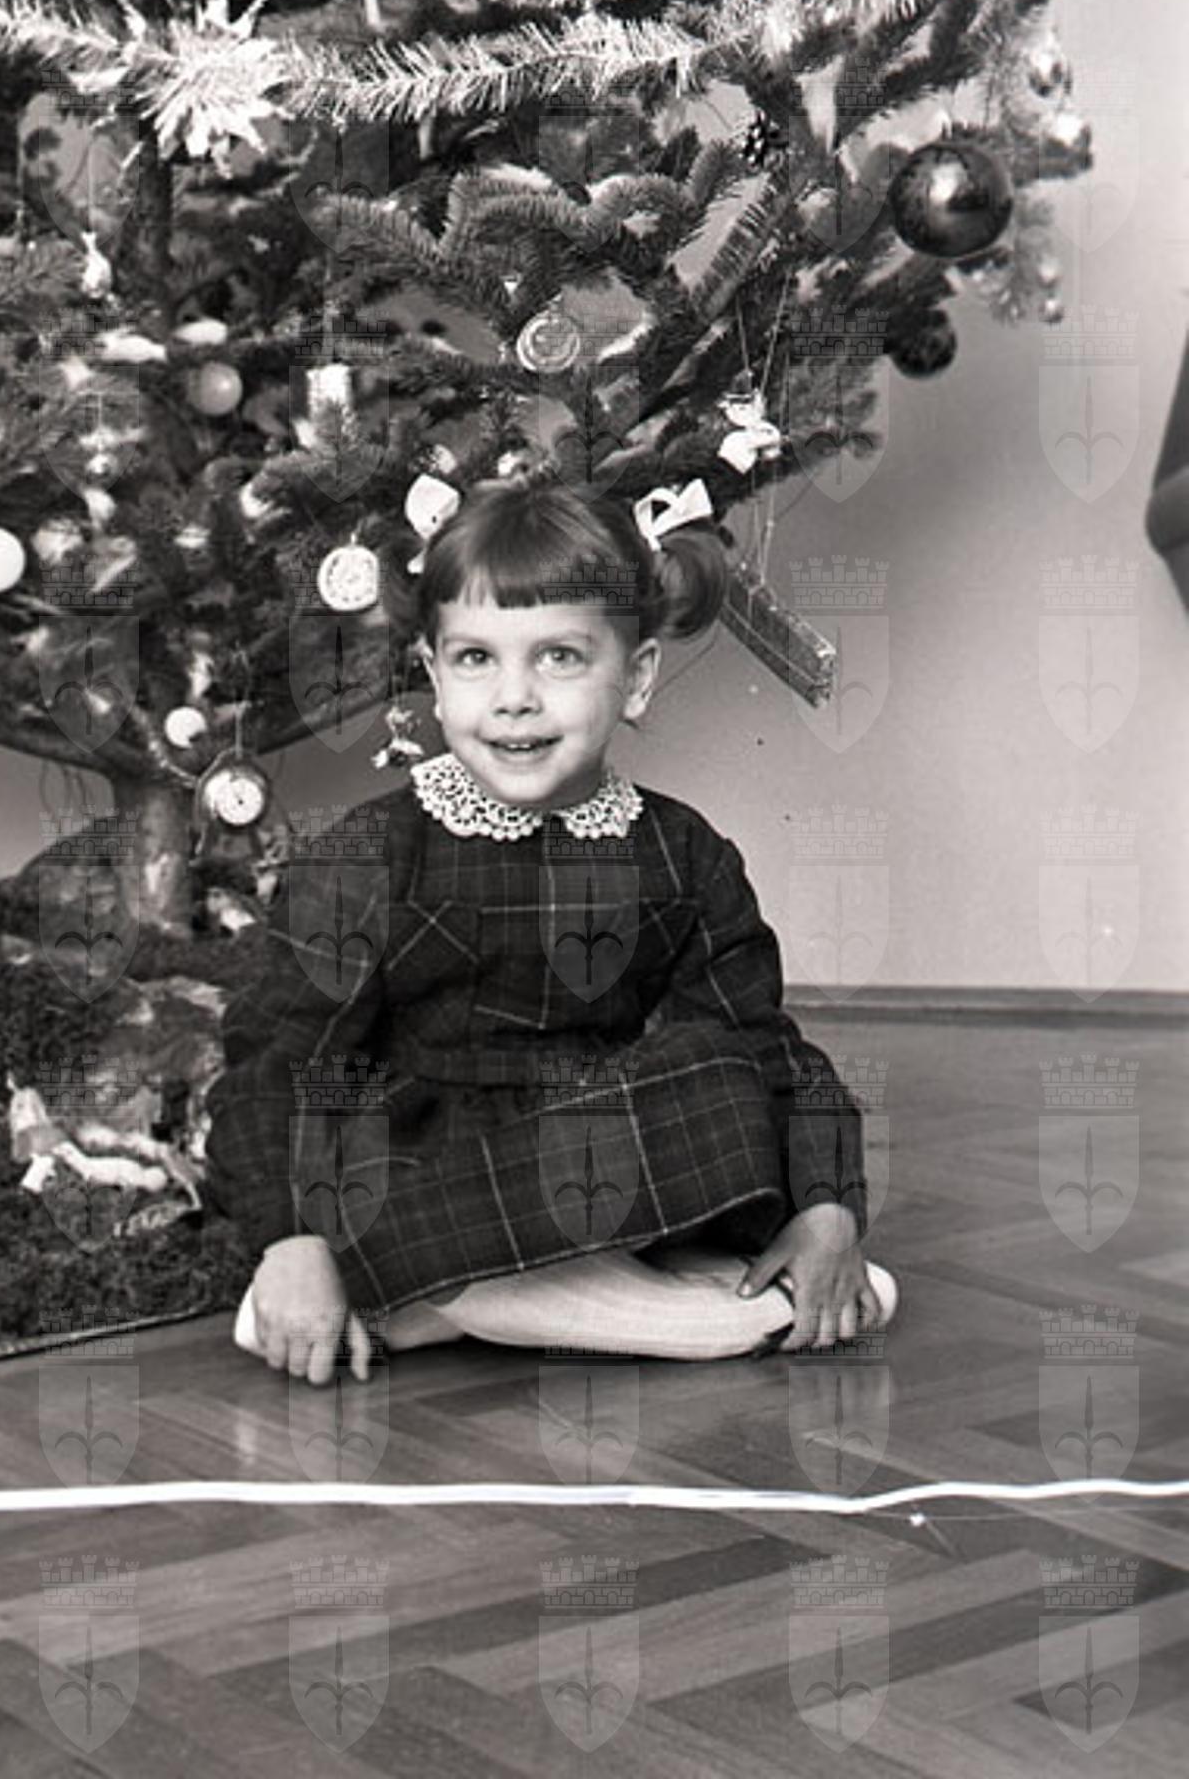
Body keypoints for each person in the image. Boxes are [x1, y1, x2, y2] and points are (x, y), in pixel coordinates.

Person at [204, 479, 898, 1384]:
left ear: (636, 677)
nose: (514, 699)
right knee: (351, 1156)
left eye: (560, 658)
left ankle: (454, 1298)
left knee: (723, 1074)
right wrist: (289, 1240)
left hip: (597, 1155)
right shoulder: (369, 855)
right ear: (431, 673)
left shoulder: (682, 852)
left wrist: (829, 1207)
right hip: (421, 1170)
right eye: (475, 659)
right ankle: (597, 1299)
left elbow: (768, 1052)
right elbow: (274, 1063)